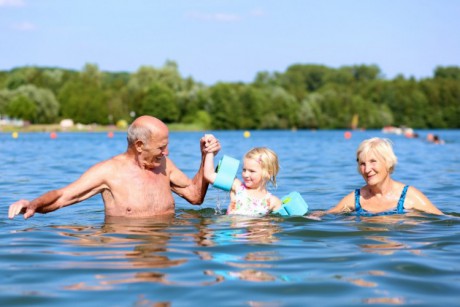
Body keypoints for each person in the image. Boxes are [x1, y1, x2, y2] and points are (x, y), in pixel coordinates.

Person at [8, 115, 221, 219]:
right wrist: (34, 204)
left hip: (166, 249)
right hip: (125, 251)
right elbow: (64, 196)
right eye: (161, 147)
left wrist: (205, 157)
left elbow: (195, 196)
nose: (166, 152)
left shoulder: (164, 164)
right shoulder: (109, 172)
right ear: (139, 145)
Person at [324, 137, 443, 216]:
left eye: (373, 161)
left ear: (388, 162)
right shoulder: (356, 198)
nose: (367, 169)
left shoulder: (409, 196)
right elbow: (327, 216)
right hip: (365, 249)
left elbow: (444, 220)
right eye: (362, 164)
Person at [204, 146, 282, 216]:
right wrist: (209, 151)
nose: (246, 175)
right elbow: (209, 175)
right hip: (232, 230)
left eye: (252, 171)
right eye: (244, 170)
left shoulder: (273, 201)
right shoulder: (237, 187)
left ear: (268, 173)